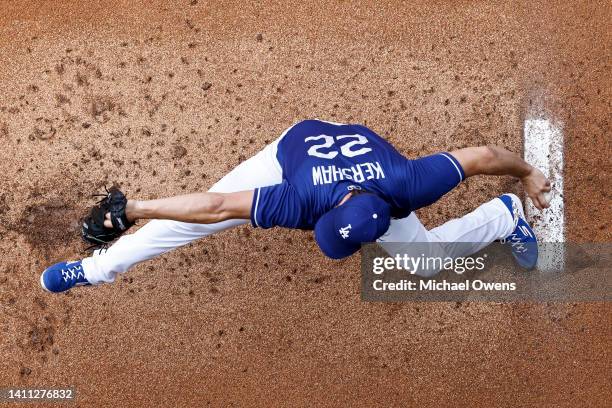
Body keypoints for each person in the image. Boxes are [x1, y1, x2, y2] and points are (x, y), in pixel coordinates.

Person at [40, 119, 550, 293]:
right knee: (186, 225)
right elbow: (216, 205)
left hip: (363, 174)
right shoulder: (298, 199)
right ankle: (92, 268)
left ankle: (504, 214)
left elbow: (483, 157)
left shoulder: (406, 186)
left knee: (425, 263)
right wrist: (138, 208)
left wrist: (523, 177)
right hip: (294, 154)